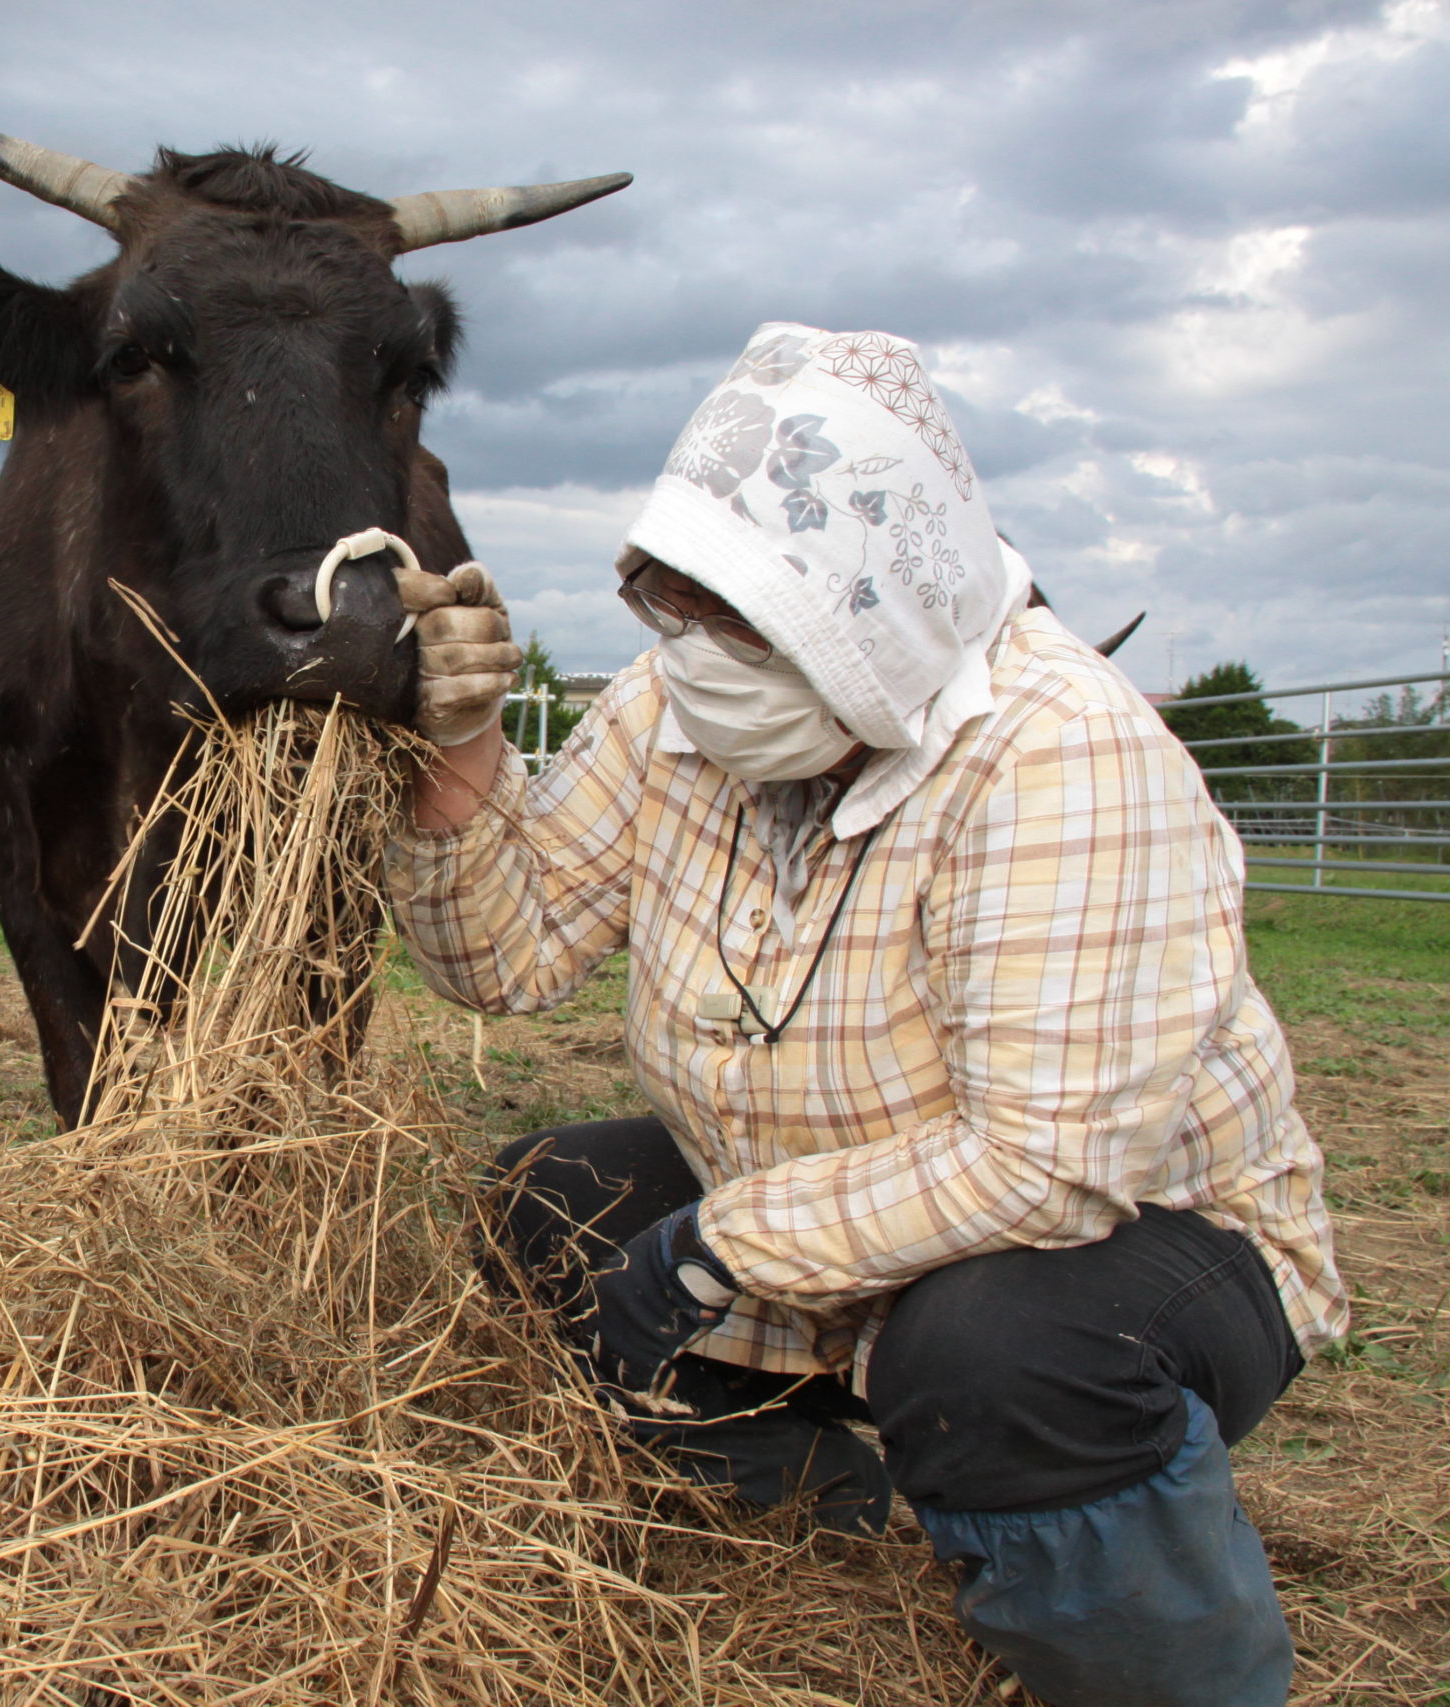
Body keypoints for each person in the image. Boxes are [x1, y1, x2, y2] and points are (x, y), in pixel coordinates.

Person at [385, 323, 1343, 1707]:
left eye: (751, 629)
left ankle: (1153, 1667)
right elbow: (505, 961)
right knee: (555, 1202)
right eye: (681, 612)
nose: (700, 661)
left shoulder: (1061, 753)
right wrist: (461, 756)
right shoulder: (680, 707)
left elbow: (1045, 1167)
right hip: (812, 1196)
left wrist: (725, 1239)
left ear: (880, 613)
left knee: (994, 1356)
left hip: (1135, 1249)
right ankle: (784, 1538)